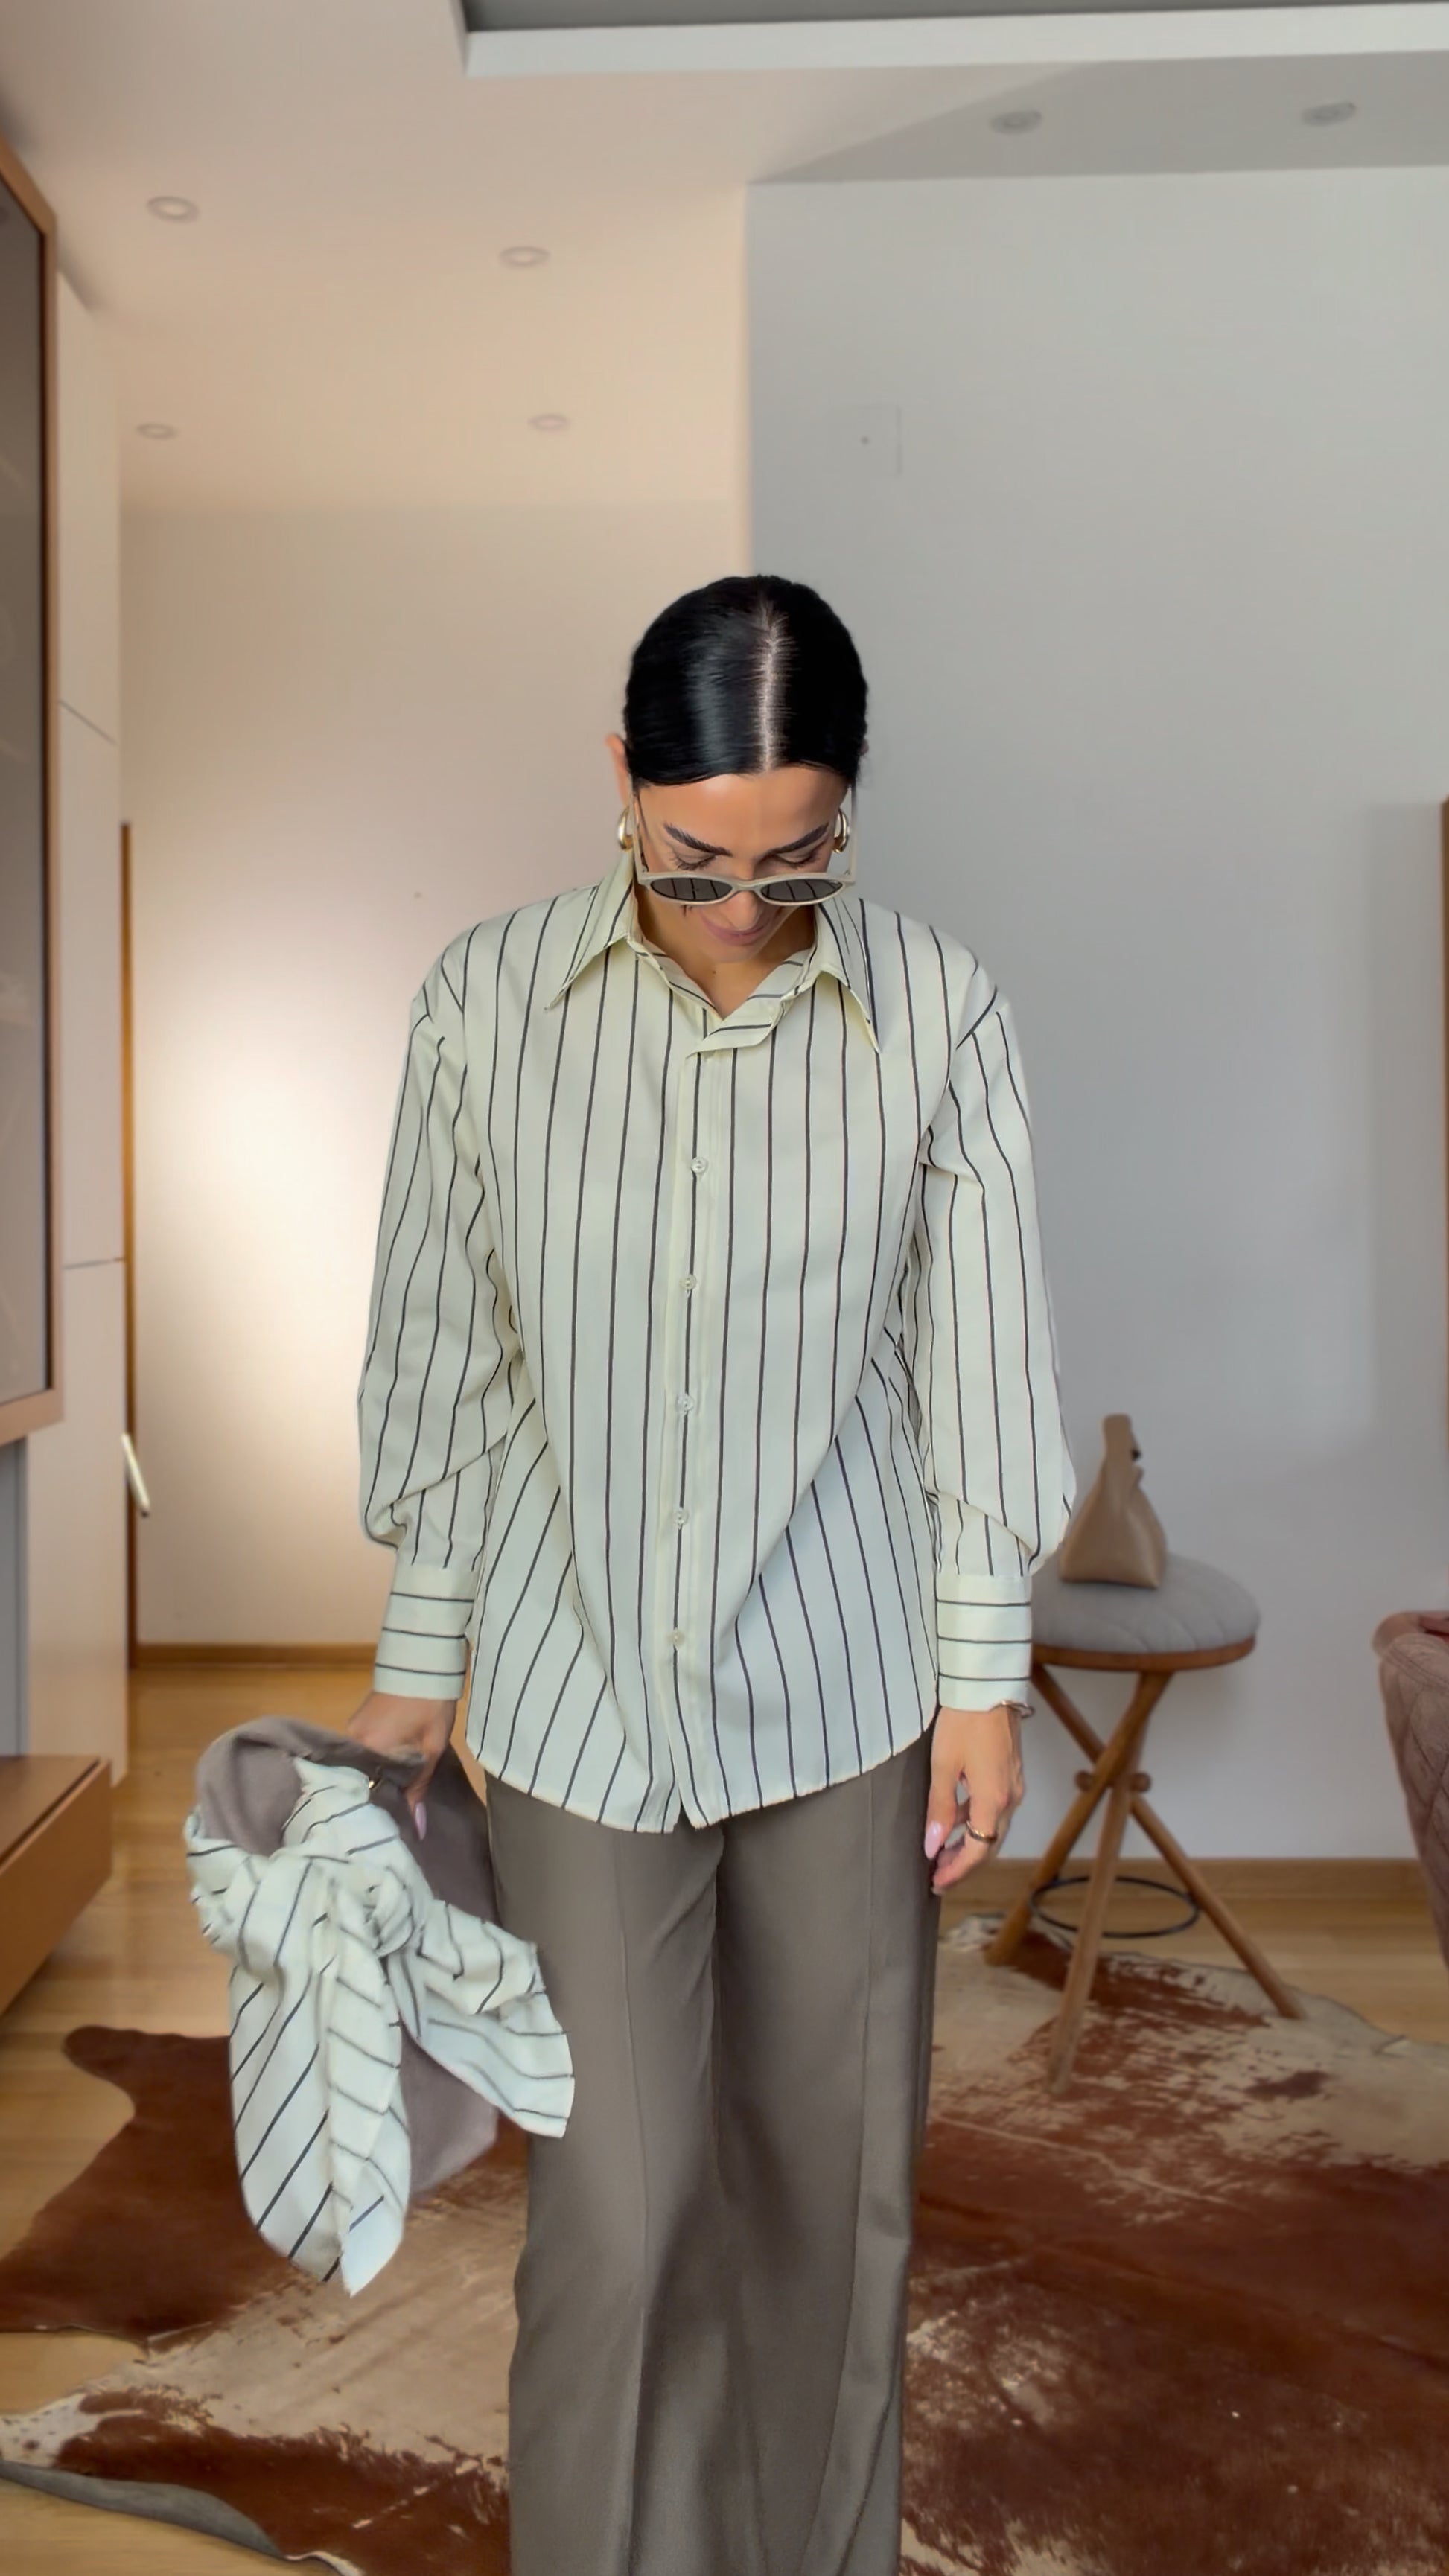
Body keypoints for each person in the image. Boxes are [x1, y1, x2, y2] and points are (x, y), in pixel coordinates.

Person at [347, 573, 1074, 2576]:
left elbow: (974, 1355)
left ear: (847, 807)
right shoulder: (487, 1002)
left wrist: (980, 1676)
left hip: (848, 1687)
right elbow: (453, 1349)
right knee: (621, 2209)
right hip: (575, 1693)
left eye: (795, 855)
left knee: (836, 2200)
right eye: (694, 858)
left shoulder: (938, 1008)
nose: (744, 904)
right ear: (621, 777)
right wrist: (418, 1658)